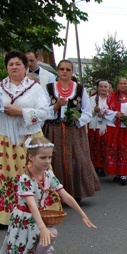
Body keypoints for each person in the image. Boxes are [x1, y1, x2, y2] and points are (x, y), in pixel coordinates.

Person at [0, 137, 96, 254]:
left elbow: (65, 196)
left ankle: (33, 251)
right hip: (26, 218)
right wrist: (43, 228)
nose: (47, 161)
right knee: (52, 233)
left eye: (50, 157)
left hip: (39, 215)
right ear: (31, 157)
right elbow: (31, 205)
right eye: (43, 157)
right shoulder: (26, 178)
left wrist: (82, 214)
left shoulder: (49, 175)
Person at [0, 50, 51, 232]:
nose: (14, 67)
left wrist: (20, 112)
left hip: (27, 139)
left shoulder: (35, 89)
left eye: (18, 64)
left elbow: (45, 112)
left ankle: (35, 213)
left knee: (28, 176)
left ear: (26, 67)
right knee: (2, 177)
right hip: (2, 139)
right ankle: (1, 217)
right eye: (10, 64)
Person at [43, 60, 100, 200]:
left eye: (68, 69)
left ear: (72, 72)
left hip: (74, 131)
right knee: (54, 160)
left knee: (76, 159)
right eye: (62, 69)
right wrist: (56, 107)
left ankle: (76, 193)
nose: (65, 72)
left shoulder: (79, 89)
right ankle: (55, 195)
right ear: (57, 71)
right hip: (53, 129)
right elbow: (42, 110)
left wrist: (76, 119)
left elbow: (87, 112)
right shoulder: (49, 88)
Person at [104, 77, 127, 185]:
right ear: (118, 85)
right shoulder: (110, 96)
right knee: (114, 149)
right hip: (114, 127)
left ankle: (124, 173)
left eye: (125, 83)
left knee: (125, 149)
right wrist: (116, 114)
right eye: (121, 83)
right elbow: (104, 109)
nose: (123, 85)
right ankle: (116, 172)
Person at [88, 80, 110, 177]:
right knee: (94, 146)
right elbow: (87, 112)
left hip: (106, 126)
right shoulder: (92, 99)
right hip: (94, 125)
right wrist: (94, 111)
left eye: (105, 87)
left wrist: (105, 114)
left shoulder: (111, 98)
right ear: (98, 88)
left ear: (108, 88)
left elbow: (113, 111)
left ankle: (104, 167)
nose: (103, 88)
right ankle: (95, 167)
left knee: (105, 147)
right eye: (101, 86)